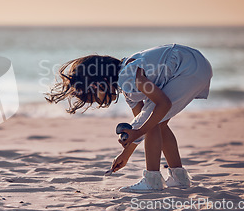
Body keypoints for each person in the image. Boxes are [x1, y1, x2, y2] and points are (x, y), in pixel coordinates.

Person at [45, 43, 213, 192]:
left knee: (155, 122)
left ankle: (152, 179)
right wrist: (125, 154)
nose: (99, 102)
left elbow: (163, 105)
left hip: (187, 67)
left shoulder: (129, 76)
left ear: (100, 82)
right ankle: (179, 177)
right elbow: (140, 124)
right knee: (157, 123)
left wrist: (139, 131)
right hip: (196, 65)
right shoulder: (128, 89)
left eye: (95, 96)